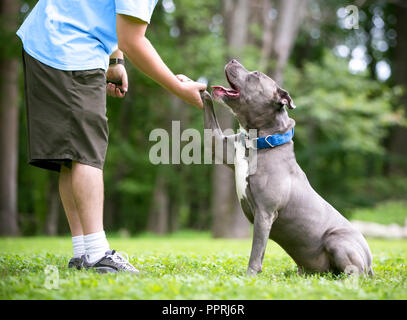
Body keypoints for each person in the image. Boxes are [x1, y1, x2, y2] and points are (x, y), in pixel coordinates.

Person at [17, 0, 206, 273]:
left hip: (47, 36)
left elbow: (113, 14)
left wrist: (114, 60)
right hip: (70, 45)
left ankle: (83, 252)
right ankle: (97, 254)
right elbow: (133, 40)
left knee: (72, 154)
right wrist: (178, 88)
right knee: (87, 153)